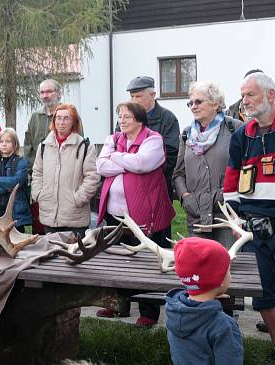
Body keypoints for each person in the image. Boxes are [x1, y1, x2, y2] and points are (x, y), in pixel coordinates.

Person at [223, 72, 275, 364]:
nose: (244, 101)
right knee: (264, 294)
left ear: (270, 95)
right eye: (243, 95)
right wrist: (237, 221)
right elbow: (231, 185)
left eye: (251, 95)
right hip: (254, 227)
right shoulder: (241, 135)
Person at [95, 101, 175, 327]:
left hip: (145, 212)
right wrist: (126, 163)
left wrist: (117, 159)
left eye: (127, 117)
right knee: (119, 260)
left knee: (147, 261)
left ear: (139, 119)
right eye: (120, 116)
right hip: (116, 213)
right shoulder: (114, 139)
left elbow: (142, 164)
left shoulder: (153, 139)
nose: (122, 120)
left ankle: (148, 311)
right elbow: (100, 166)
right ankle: (119, 305)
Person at [173, 81, 242, 248]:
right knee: (200, 267)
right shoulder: (187, 134)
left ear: (215, 104)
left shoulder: (235, 128)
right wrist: (185, 196)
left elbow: (246, 168)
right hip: (196, 213)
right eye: (190, 103)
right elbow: (178, 174)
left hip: (226, 214)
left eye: (198, 102)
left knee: (227, 267)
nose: (193, 106)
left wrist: (230, 194)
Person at [165, 237, 243, 365]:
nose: (231, 275)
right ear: (220, 280)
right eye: (228, 271)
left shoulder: (173, 311)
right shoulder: (224, 326)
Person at [31, 104, 99, 236]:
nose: (61, 122)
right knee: (51, 254)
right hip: (49, 215)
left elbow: (92, 177)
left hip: (74, 216)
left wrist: (78, 198)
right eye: (59, 118)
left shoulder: (84, 146)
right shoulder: (44, 145)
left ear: (74, 122)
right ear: (54, 121)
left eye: (66, 118)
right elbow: (37, 173)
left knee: (74, 255)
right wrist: (39, 194)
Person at [124, 76, 180, 200]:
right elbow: (118, 148)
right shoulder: (125, 119)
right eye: (132, 97)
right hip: (128, 185)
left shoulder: (168, 118)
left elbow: (170, 155)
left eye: (138, 97)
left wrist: (145, 169)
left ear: (152, 95)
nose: (133, 101)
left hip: (158, 186)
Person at [25, 79, 61, 234]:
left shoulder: (68, 115)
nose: (45, 95)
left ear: (58, 93)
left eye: (49, 91)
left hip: (62, 178)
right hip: (40, 177)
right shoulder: (35, 117)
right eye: (42, 92)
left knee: (61, 221)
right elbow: (28, 146)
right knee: (39, 222)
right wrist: (32, 169)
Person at [0, 128, 31, 229]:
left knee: (16, 242)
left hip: (15, 210)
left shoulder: (21, 161)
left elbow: (16, 182)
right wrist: (4, 190)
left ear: (15, 143)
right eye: (1, 141)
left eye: (8, 141)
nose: (4, 144)